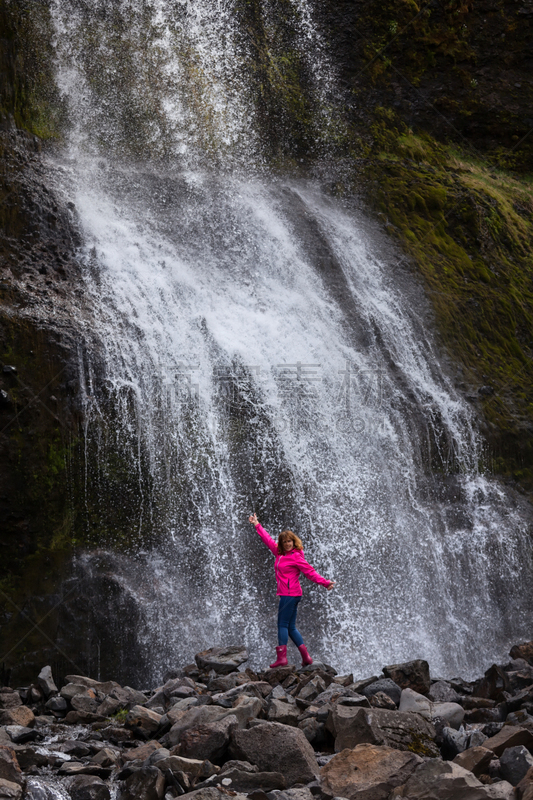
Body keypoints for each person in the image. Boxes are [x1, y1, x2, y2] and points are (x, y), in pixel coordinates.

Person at [248, 513, 335, 668]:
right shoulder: (280, 554)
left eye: (289, 541)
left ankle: (282, 658)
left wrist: (325, 583)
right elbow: (268, 540)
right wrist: (257, 524)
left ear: (294, 542)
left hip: (289, 595)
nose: (287, 544)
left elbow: (310, 572)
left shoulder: (296, 557)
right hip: (291, 594)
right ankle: (306, 658)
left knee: (282, 625)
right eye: (285, 542)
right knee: (290, 627)